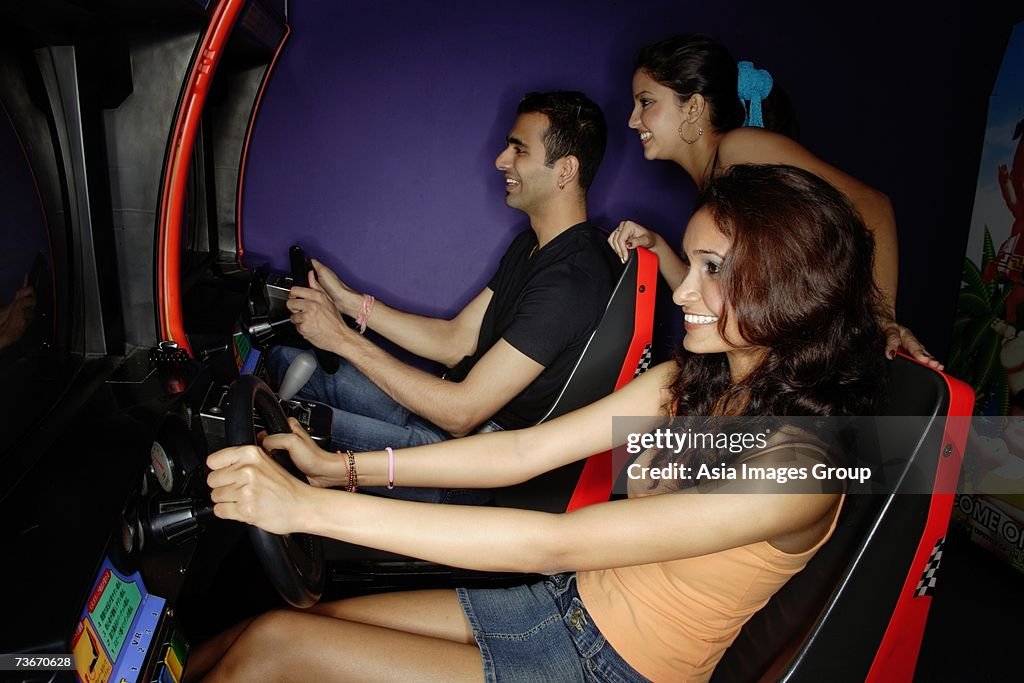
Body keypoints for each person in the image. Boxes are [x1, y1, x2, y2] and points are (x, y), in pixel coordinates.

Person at [189, 164, 888, 682]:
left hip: (609, 669)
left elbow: (555, 541)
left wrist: (306, 508)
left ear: (787, 288)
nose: (683, 290)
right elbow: (518, 453)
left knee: (271, 649)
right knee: (278, 631)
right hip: (563, 606)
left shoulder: (803, 465)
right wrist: (338, 469)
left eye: (712, 269)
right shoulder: (691, 385)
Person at [273, 91, 621, 503]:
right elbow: (455, 341)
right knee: (287, 362)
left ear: (564, 170)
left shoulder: (572, 280)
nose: (500, 161)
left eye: (518, 149)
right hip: (445, 420)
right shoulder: (533, 245)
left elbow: (461, 414)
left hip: (471, 468)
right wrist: (350, 303)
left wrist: (342, 339)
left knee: (285, 426)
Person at [605, 34, 940, 368]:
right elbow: (716, 305)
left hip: (814, 354)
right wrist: (657, 246)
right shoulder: (713, 178)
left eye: (646, 102)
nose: (633, 120)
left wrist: (881, 316)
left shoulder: (739, 148)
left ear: (693, 107)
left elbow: (875, 206)